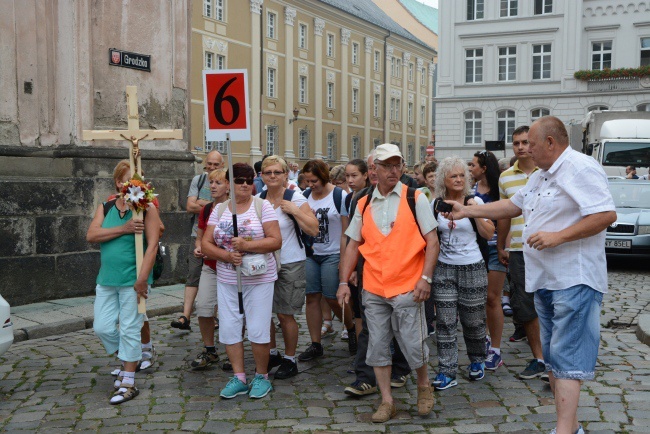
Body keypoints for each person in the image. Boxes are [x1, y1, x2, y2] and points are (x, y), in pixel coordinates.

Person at [445, 116, 616, 434]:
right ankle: (570, 426)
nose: (526, 152)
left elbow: (606, 214)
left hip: (574, 279)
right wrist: (468, 210)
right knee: (553, 357)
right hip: (547, 280)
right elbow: (511, 206)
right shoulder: (541, 176)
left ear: (551, 143)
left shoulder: (580, 167)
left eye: (532, 145)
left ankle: (564, 430)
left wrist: (558, 236)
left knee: (566, 356)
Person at [337, 144, 438, 422]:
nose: (393, 170)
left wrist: (425, 278)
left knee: (414, 344)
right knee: (377, 346)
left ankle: (423, 386)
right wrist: (344, 281)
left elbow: (432, 242)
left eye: (397, 165)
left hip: (409, 285)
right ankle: (387, 400)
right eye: (387, 165)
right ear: (375, 170)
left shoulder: (415, 197)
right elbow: (353, 244)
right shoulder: (363, 202)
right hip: (374, 286)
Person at [202, 163, 282, 399]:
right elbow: (206, 244)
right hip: (227, 277)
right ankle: (239, 377)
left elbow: (275, 240)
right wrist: (226, 255)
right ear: (229, 183)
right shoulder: (220, 210)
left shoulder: (262, 206)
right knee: (229, 328)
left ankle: (261, 376)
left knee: (258, 328)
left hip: (258, 278)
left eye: (249, 180)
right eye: (239, 180)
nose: (245, 184)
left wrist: (247, 246)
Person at [87, 160, 161, 404]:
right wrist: (125, 228)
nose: (135, 184)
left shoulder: (146, 208)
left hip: (134, 279)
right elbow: (92, 235)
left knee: (130, 327)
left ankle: (128, 381)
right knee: (103, 327)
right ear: (119, 183)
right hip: (107, 278)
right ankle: (131, 356)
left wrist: (142, 279)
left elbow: (151, 246)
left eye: (139, 180)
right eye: (129, 180)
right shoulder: (107, 206)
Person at [342, 151, 412, 397]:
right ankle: (366, 377)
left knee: (402, 327)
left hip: (402, 275)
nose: (374, 172)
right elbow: (355, 239)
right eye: (372, 167)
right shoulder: (361, 199)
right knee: (371, 328)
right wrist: (350, 271)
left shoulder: (410, 194)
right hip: (370, 273)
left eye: (378, 167)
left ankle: (402, 369)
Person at [430, 157, 494, 391]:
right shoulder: (435, 204)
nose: (458, 180)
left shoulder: (474, 200)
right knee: (445, 321)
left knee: (473, 320)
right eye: (453, 176)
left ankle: (477, 360)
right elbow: (429, 238)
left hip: (473, 267)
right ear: (443, 181)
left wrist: (471, 212)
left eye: (461, 176)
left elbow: (488, 234)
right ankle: (447, 370)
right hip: (444, 268)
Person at [260, 156, 319, 379]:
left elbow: (314, 229)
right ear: (262, 176)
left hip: (290, 261)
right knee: (264, 313)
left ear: (286, 175)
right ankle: (272, 353)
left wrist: (294, 210)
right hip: (264, 263)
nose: (273, 176)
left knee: (285, 315)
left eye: (277, 172)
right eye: (268, 172)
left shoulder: (294, 197)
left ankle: (290, 358)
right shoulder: (259, 198)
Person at [497, 126, 547, 381]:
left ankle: (554, 357)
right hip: (518, 249)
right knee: (525, 305)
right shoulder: (505, 177)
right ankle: (539, 358)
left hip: (547, 247)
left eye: (525, 142)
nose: (520, 147)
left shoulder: (548, 171)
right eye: (516, 143)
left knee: (551, 302)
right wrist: (501, 244)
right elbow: (506, 213)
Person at [298, 159, 356, 362]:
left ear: (324, 177)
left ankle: (351, 328)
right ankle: (315, 343)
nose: (310, 185)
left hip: (333, 252)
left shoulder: (339, 195)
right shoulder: (305, 196)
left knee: (332, 297)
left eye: (314, 180)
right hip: (312, 253)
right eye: (307, 181)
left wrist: (343, 258)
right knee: (312, 297)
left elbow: (346, 231)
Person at [172, 151, 224, 331]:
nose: (211, 167)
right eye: (209, 163)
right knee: (193, 274)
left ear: (222, 165)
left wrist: (201, 203)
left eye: (215, 164)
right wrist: (206, 204)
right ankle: (185, 316)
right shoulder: (199, 180)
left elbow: (221, 205)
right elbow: (189, 206)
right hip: (198, 235)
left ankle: (216, 316)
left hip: (218, 239)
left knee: (219, 275)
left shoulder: (226, 180)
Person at [468, 150, 507, 371]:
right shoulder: (469, 189)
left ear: (484, 168)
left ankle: (496, 349)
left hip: (494, 248)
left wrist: (503, 246)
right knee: (477, 299)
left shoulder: (497, 191)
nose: (470, 168)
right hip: (476, 249)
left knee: (493, 299)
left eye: (473, 165)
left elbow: (505, 220)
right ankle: (482, 340)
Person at [189, 169, 229, 370]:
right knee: (203, 308)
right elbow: (200, 235)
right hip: (210, 267)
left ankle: (233, 351)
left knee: (233, 312)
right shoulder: (206, 210)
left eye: (218, 183)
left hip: (230, 266)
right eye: (211, 182)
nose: (212, 186)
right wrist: (199, 246)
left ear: (228, 186)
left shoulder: (235, 208)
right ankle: (210, 349)